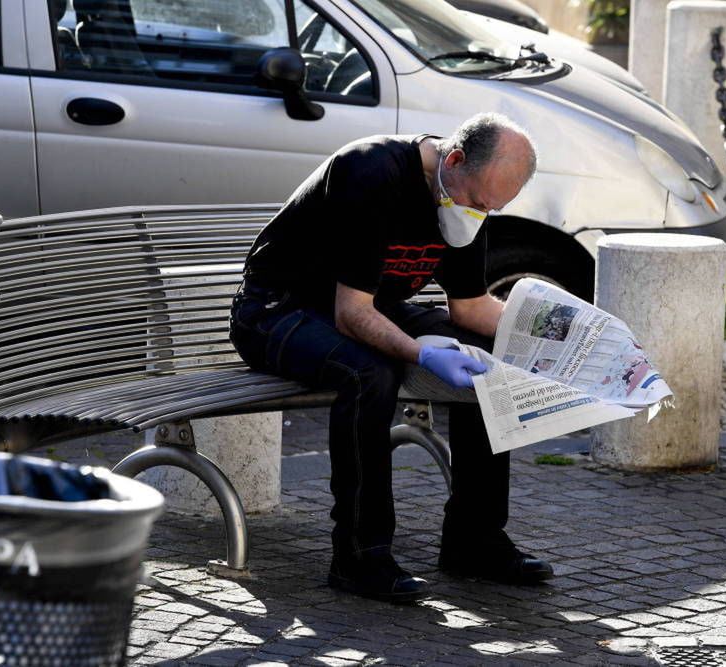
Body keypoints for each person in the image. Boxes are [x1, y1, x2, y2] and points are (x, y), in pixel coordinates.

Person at [229, 112, 552, 603]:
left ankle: (475, 541)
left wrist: (557, 336)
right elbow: (351, 314)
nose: (477, 214)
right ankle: (360, 556)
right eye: (475, 201)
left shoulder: (467, 197)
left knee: (490, 364)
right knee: (369, 374)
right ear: (455, 159)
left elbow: (471, 308)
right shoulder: (371, 171)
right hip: (277, 311)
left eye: (490, 208)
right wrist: (420, 350)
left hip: (367, 305)